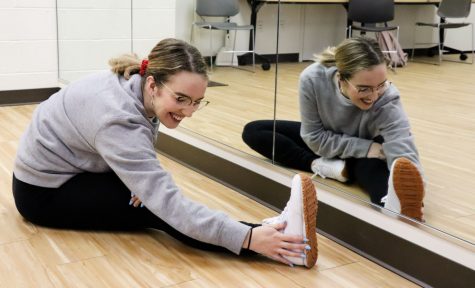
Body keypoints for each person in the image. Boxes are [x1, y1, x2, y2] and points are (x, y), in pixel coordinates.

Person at [12, 38, 317, 267]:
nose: (190, 111)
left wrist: (136, 182)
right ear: (153, 84)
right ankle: (273, 241)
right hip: (44, 192)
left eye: (197, 101)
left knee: (154, 196)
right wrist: (247, 238)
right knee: (159, 209)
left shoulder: (135, 87)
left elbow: (136, 147)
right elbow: (170, 204)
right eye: (182, 99)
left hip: (79, 167)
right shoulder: (117, 118)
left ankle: (269, 234)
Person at [242, 37, 425, 221]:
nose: (375, 96)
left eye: (381, 85)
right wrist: (367, 148)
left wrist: (412, 189)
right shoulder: (312, 78)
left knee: (383, 193)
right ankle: (322, 166)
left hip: (365, 155)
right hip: (341, 143)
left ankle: (340, 167)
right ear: (341, 78)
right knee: (254, 131)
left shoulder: (388, 97)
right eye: (364, 89)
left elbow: (403, 149)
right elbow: (313, 137)